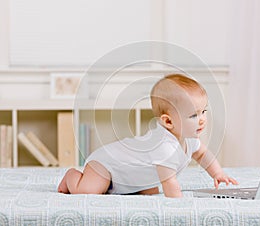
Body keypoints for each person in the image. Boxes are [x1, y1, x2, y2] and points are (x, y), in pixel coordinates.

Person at [58, 73, 238, 197]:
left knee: (149, 191)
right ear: (168, 122)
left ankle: (134, 185)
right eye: (193, 115)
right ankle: (72, 176)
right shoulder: (164, 147)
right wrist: (179, 204)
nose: (202, 120)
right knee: (89, 190)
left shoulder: (189, 139)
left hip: (129, 175)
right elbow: (170, 184)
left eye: (203, 112)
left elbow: (202, 154)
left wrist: (217, 173)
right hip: (106, 165)